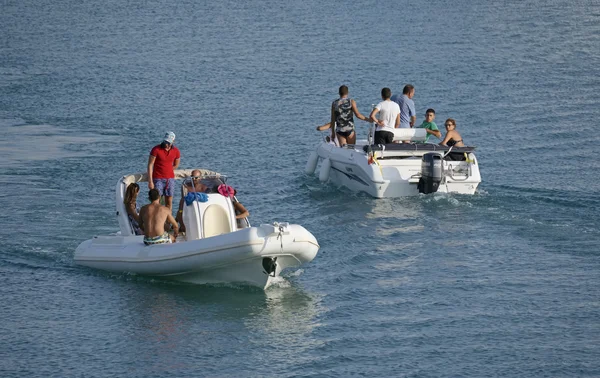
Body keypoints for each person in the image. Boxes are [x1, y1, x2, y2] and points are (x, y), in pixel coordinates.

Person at [147, 132, 180, 211]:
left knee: (169, 202)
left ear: (173, 142)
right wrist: (150, 181)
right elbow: (150, 165)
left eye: (169, 142)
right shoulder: (156, 149)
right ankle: (157, 220)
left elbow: (176, 164)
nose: (166, 144)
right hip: (158, 178)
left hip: (170, 179)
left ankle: (168, 222)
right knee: (156, 202)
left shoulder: (176, 151)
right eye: (165, 142)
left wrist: (168, 170)